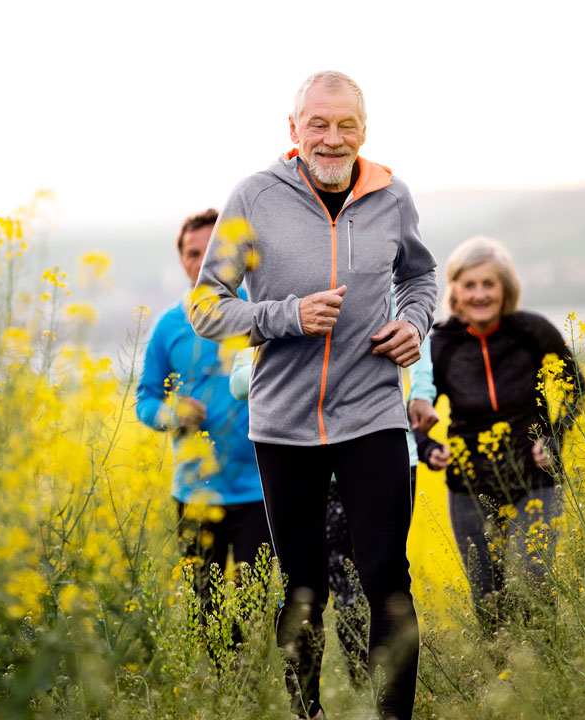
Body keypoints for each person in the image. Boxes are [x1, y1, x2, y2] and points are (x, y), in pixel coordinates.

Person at [190, 71, 437, 720]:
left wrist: (412, 325)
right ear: (294, 130)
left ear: (364, 130)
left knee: (387, 577)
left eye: (346, 125)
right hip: (285, 426)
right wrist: (286, 317)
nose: (332, 138)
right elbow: (207, 307)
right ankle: (310, 713)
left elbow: (421, 278)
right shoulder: (254, 198)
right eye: (318, 125)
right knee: (303, 587)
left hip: (373, 415)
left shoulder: (392, 197)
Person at [228, 325, 441, 689]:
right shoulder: (270, 297)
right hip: (304, 457)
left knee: (383, 580)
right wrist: (298, 365)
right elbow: (237, 382)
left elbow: (417, 353)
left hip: (382, 452)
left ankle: (378, 699)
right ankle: (319, 700)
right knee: (315, 586)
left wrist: (421, 394)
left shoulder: (377, 282)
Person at [418, 236, 585, 632]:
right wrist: (428, 447)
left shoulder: (532, 332)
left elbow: (576, 386)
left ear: (505, 288)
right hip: (470, 488)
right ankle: (503, 684)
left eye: (488, 284)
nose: (479, 294)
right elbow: (416, 408)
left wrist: (555, 437)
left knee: (535, 582)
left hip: (535, 481)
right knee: (489, 600)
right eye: (469, 284)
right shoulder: (440, 344)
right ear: (454, 289)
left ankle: (546, 677)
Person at [135, 209, 270, 613]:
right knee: (205, 613)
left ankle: (244, 679)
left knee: (254, 613)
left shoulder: (260, 313)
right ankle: (218, 678)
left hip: (259, 490)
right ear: (182, 260)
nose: (202, 261)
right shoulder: (168, 327)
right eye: (194, 253)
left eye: (214, 250)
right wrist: (173, 413)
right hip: (194, 492)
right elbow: (145, 401)